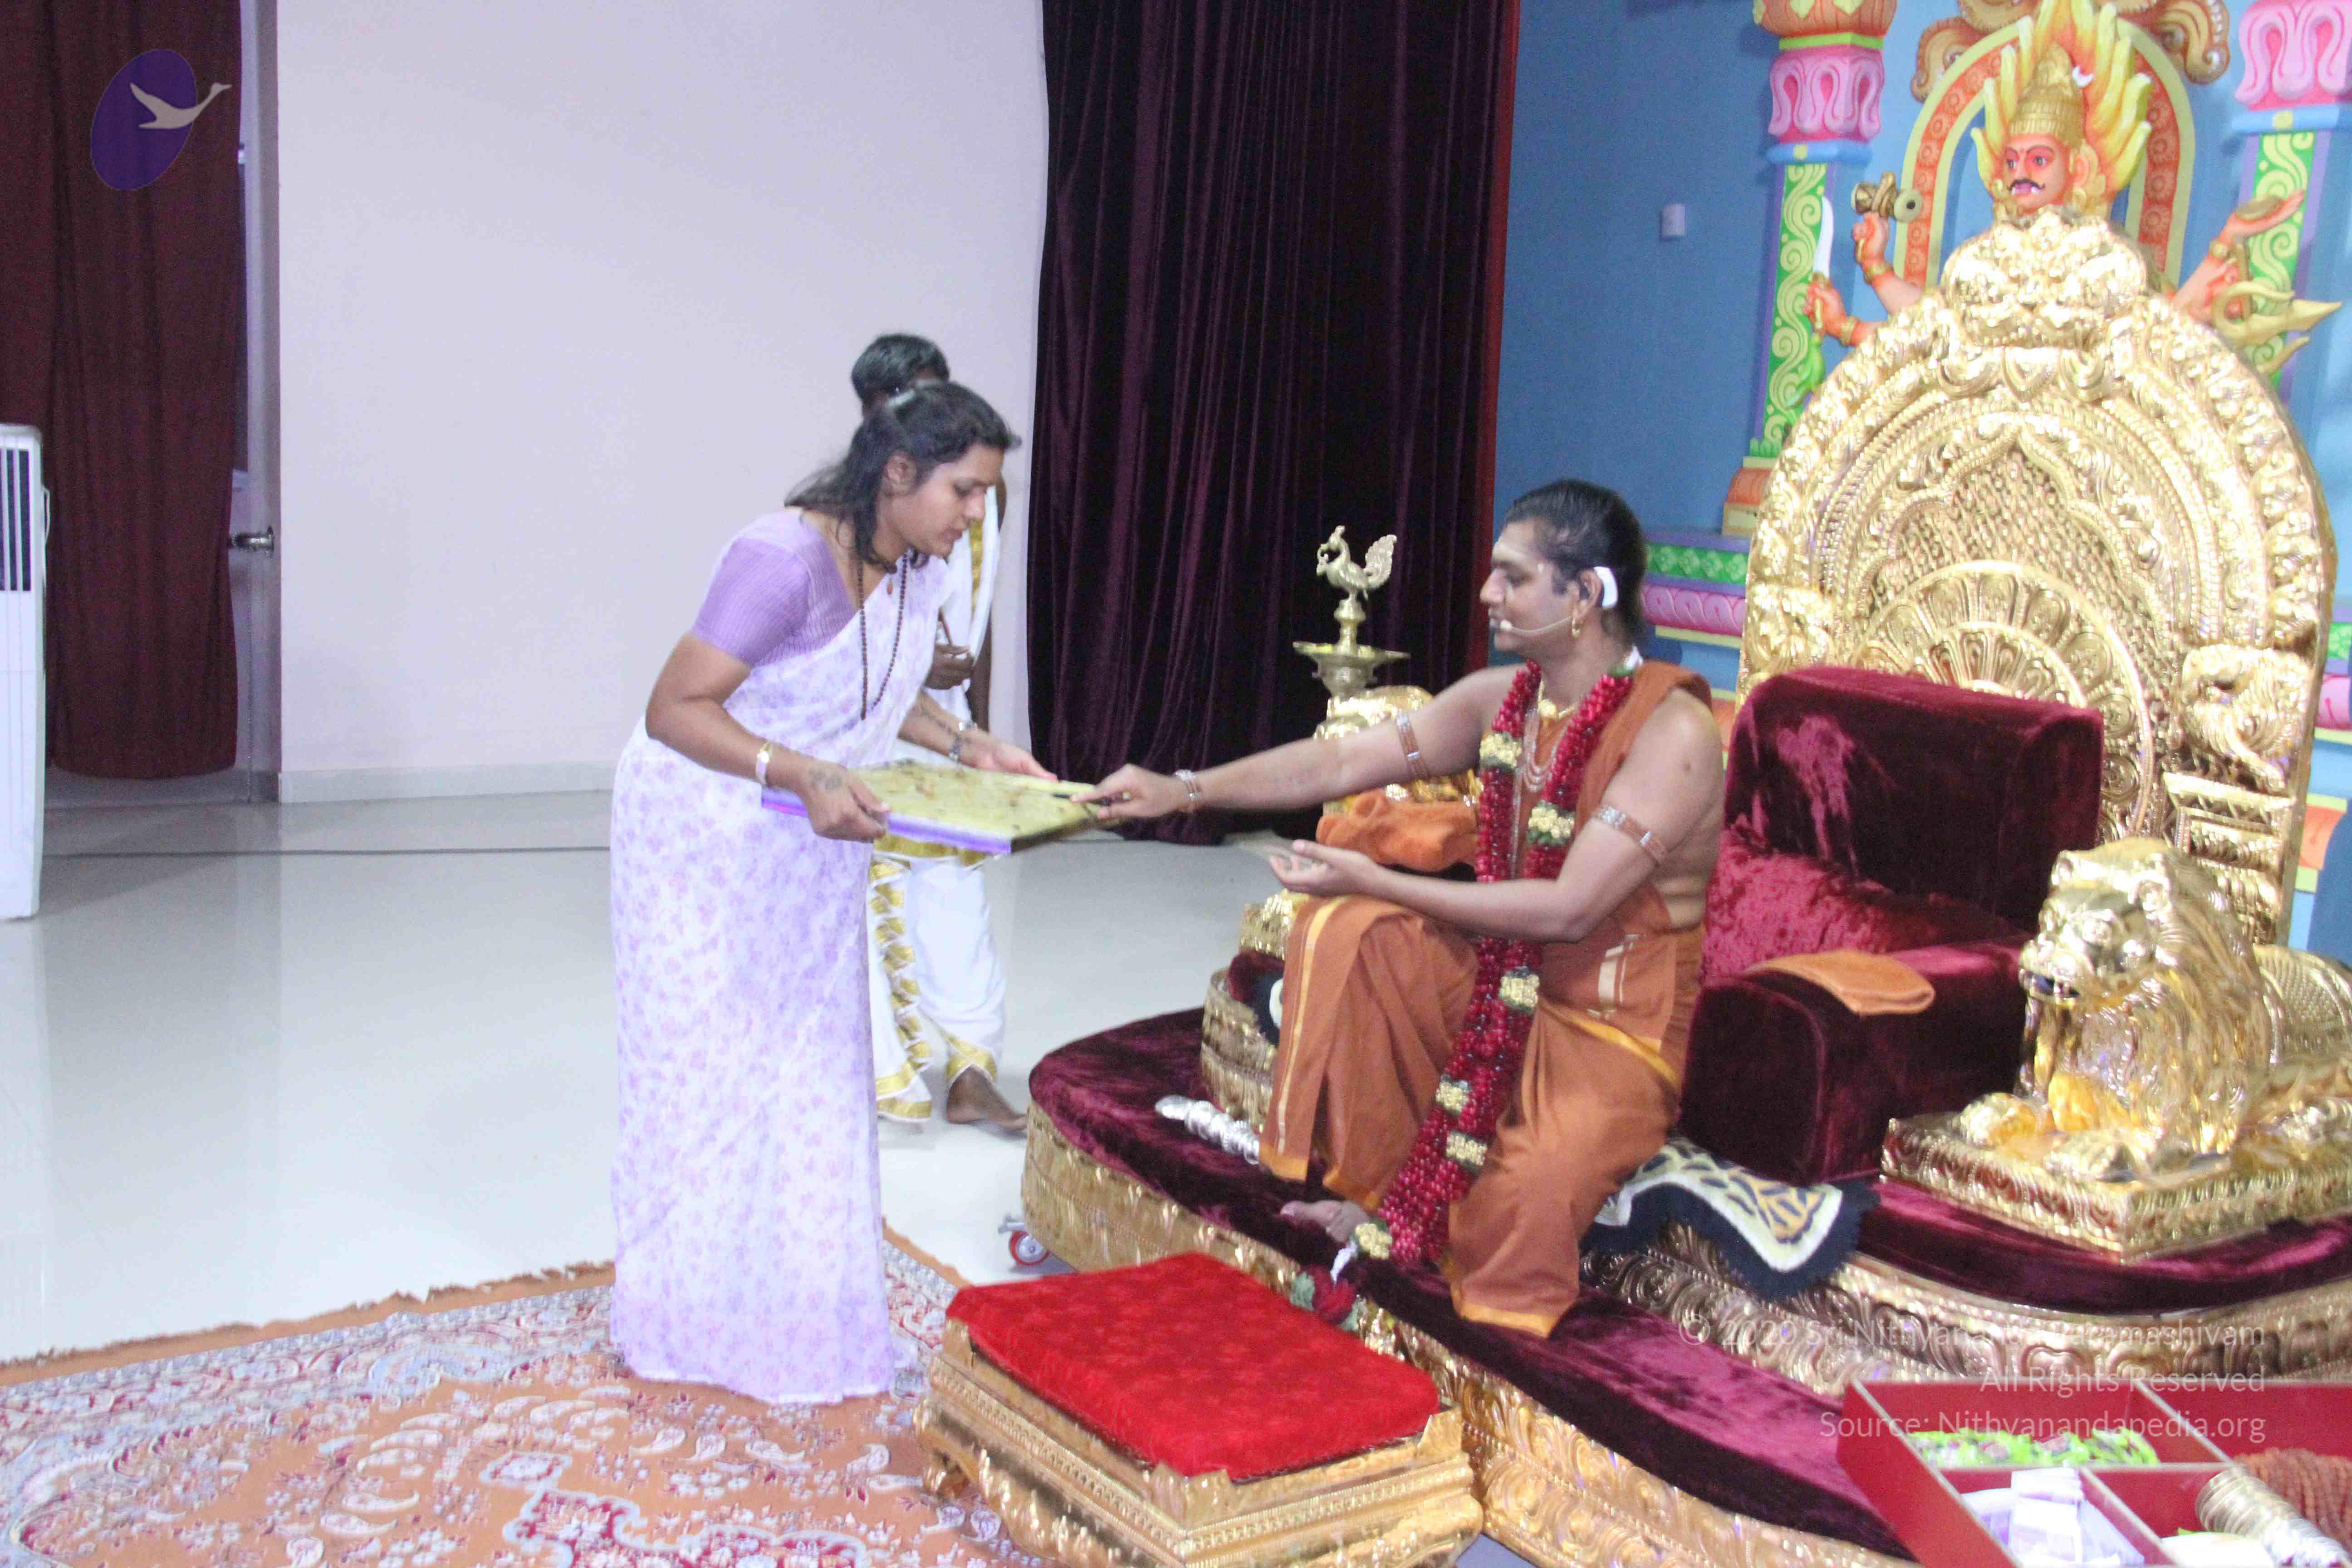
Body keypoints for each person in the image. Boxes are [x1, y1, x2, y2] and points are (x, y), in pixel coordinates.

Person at [1087, 480, 1723, 1337]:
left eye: (1513, 577)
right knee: (1358, 934)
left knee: (1517, 1211)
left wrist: (1374, 876)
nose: (1488, 593)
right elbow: (1338, 763)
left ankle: (1460, 1242)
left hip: (1613, 1026)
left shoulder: (1672, 733)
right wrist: (1183, 790)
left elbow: (1572, 911)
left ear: (1585, 594)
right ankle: (1382, 1193)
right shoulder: (1505, 699)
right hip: (1504, 982)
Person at [608, 381, 1048, 1402]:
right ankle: (689, 1311)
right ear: (897, 473)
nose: (976, 514)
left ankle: (796, 1306)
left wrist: (973, 746)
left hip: (812, 832)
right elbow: (675, 708)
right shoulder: (782, 562)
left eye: (986, 496)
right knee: (712, 1072)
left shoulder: (916, 566)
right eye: (964, 491)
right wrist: (796, 771)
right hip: (704, 838)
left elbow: (878, 691)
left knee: (807, 1072)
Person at [849, 335, 1024, 1131]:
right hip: (869, 730)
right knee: (873, 894)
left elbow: (977, 615)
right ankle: (881, 1074)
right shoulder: (860, 505)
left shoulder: (984, 493)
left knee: (956, 893)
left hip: (947, 729)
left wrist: (976, 727)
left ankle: (970, 1069)